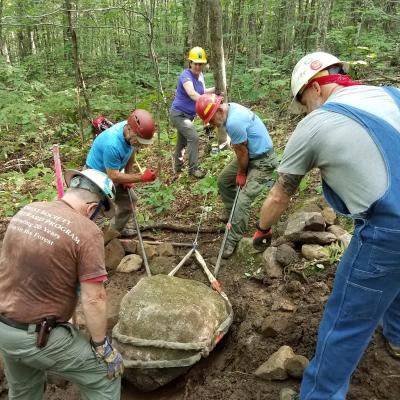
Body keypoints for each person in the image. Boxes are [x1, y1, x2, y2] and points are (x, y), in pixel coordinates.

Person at [252, 51, 400, 400]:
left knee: (344, 323)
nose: (305, 110)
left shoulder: (315, 125)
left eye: (304, 101)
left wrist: (262, 231)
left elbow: (279, 195)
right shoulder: (392, 95)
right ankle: (397, 337)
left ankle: (320, 393)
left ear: (316, 87)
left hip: (389, 230)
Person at [0, 169, 123, 400]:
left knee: (24, 390)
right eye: (97, 214)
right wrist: (101, 346)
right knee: (104, 374)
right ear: (92, 208)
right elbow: (94, 298)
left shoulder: (28, 210)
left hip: (4, 329)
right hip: (36, 336)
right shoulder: (87, 231)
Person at [196, 93, 278, 258]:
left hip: (263, 161)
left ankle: (232, 239)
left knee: (243, 199)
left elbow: (242, 153)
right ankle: (231, 213)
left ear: (219, 110)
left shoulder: (234, 122)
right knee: (224, 180)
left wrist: (242, 172)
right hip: (251, 155)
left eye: (211, 119)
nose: (212, 124)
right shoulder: (229, 109)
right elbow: (242, 152)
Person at [86, 109, 157, 232]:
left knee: (129, 202)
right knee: (97, 215)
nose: (140, 145)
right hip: (95, 176)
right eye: (139, 141)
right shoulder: (112, 144)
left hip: (113, 172)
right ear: (129, 130)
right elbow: (113, 176)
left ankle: (113, 233)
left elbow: (131, 150)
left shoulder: (130, 133)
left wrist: (128, 176)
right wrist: (141, 177)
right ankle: (93, 241)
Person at [170, 46, 216, 178]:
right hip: (178, 114)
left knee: (182, 141)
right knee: (193, 137)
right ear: (190, 63)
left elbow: (202, 91)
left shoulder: (200, 76)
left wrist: (216, 89)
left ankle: (177, 168)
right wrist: (207, 102)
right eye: (195, 64)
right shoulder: (186, 75)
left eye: (200, 64)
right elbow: (191, 93)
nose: (198, 67)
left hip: (188, 116)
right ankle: (193, 169)